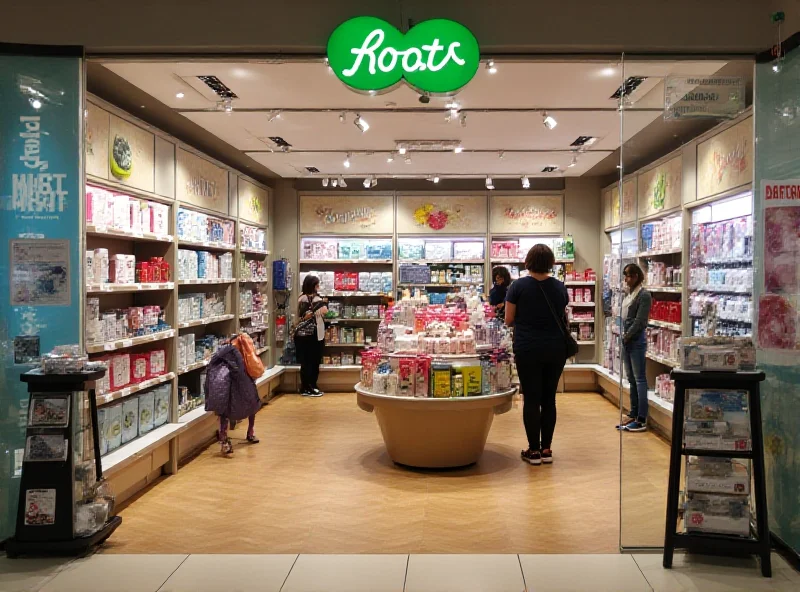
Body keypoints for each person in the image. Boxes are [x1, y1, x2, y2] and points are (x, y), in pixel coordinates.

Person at [504, 244, 569, 466]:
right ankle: (547, 449)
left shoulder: (517, 286)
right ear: (551, 262)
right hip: (555, 348)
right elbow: (562, 315)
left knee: (531, 398)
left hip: (527, 347)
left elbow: (509, 320)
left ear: (528, 261)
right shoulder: (559, 287)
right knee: (549, 398)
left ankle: (533, 451)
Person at [204, 342, 261, 455]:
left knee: (224, 412)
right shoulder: (240, 350)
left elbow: (211, 366)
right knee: (252, 405)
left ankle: (224, 438)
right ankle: (249, 433)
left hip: (232, 387)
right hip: (242, 384)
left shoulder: (221, 359)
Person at [617, 263, 652, 433]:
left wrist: (627, 335)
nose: (627, 279)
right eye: (625, 276)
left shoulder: (644, 295)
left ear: (637, 277)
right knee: (631, 379)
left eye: (629, 276)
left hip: (636, 341)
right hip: (626, 340)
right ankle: (633, 412)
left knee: (639, 379)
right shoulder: (629, 294)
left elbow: (640, 321)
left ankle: (641, 418)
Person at [295, 274, 328, 397]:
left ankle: (308, 386)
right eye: (317, 285)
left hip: (303, 335)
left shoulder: (300, 298)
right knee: (313, 361)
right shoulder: (314, 299)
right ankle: (310, 387)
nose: (318, 287)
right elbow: (325, 310)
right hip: (313, 334)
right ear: (313, 286)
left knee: (306, 362)